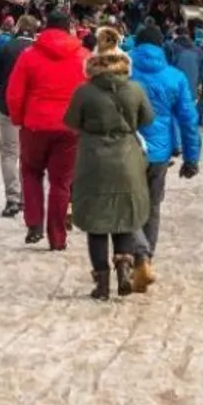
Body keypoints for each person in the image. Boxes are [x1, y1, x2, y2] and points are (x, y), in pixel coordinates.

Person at [64, 29, 155, 300]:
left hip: (93, 160)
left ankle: (102, 284)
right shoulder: (135, 89)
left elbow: (71, 122)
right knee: (125, 217)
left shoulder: (84, 92)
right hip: (127, 158)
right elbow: (147, 119)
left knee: (96, 223)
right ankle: (124, 269)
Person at [127, 23, 202, 292]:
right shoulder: (175, 77)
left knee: (127, 206)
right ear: (161, 46)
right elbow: (188, 120)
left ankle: (138, 255)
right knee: (153, 208)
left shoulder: (125, 73)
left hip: (128, 148)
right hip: (159, 153)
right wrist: (192, 158)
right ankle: (147, 259)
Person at [7, 11, 89, 251]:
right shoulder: (83, 56)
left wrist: (19, 119)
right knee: (61, 183)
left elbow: (15, 92)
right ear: (70, 28)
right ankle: (57, 237)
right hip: (70, 128)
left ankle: (34, 222)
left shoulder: (29, 56)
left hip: (36, 124)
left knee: (31, 172)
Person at [0, 15, 40, 219]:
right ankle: (27, 196)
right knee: (28, 154)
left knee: (9, 153)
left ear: (17, 27)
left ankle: (13, 198)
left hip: (8, 107)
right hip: (33, 109)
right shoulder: (38, 50)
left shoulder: (5, 49)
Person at [166, 28, 203, 102]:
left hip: (174, 93)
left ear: (175, 35)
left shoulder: (171, 48)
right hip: (191, 94)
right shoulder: (198, 51)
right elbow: (202, 73)